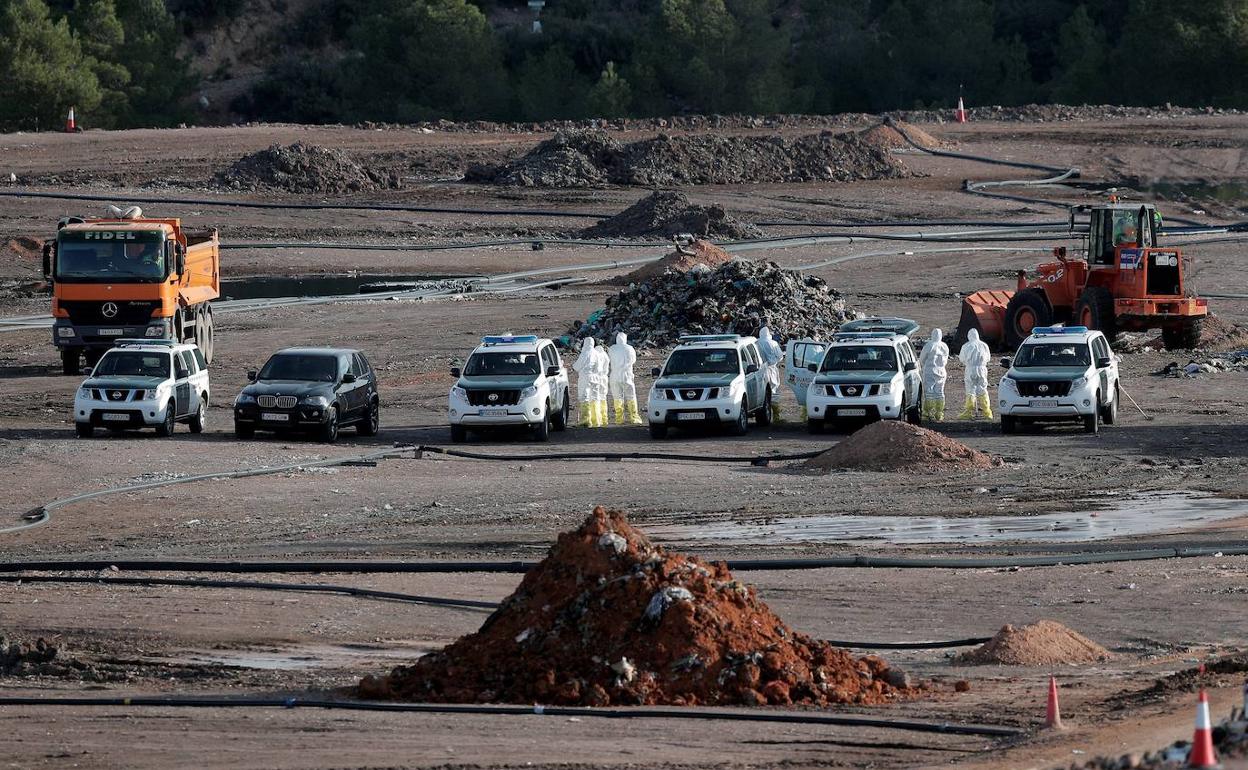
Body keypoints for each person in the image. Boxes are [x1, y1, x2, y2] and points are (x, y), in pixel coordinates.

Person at [957, 328, 992, 420]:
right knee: (983, 389)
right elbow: (988, 358)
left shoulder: (966, 346)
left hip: (970, 369)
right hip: (982, 369)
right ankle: (987, 412)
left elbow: (962, 359)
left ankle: (968, 411)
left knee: (970, 389)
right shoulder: (984, 345)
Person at [608, 332, 643, 425]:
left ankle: (619, 418)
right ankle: (634, 416)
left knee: (617, 397)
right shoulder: (629, 348)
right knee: (631, 396)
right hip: (627, 375)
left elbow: (609, 359)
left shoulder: (612, 349)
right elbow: (633, 360)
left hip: (615, 376)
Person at [918, 328, 949, 421]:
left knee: (929, 391)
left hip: (930, 370)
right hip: (941, 371)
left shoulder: (929, 345)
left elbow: (922, 358)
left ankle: (927, 413)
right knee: (939, 391)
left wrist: (923, 366)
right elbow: (946, 359)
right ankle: (939, 413)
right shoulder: (944, 346)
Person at [757, 325, 783, 423]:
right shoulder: (773, 343)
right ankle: (776, 416)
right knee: (774, 391)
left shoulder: (757, 343)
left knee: (763, 392)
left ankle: (765, 413)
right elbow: (780, 356)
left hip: (760, 370)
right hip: (772, 369)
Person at [572, 338, 599, 428]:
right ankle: (596, 420)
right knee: (594, 397)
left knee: (585, 397)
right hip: (595, 377)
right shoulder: (596, 353)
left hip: (585, 377)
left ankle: (586, 420)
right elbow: (599, 368)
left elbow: (577, 366)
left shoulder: (585, 353)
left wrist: (573, 366)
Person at [589, 339, 611, 427]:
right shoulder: (605, 354)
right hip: (604, 378)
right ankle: (604, 419)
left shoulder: (594, 354)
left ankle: (595, 419)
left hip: (596, 378)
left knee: (595, 398)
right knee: (603, 398)